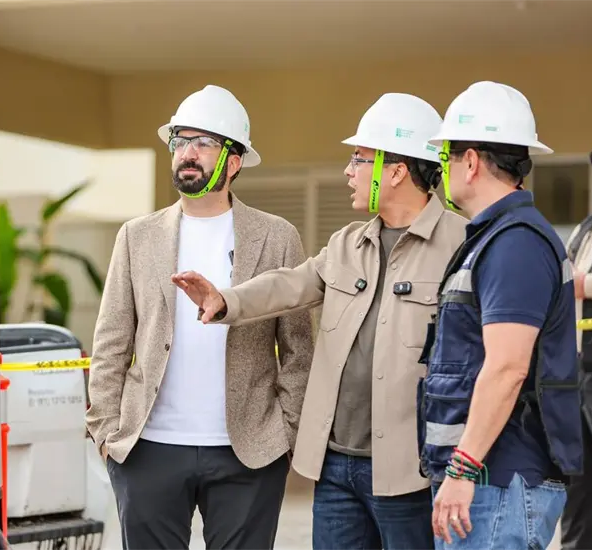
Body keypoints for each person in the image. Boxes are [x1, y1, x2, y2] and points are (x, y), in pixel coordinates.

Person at [172, 92, 467, 550]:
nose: (348, 171)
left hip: (412, 469)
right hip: (337, 469)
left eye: (359, 159)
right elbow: (291, 284)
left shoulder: (461, 244)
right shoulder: (349, 242)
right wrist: (225, 299)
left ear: (395, 171)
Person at [85, 84, 314, 550]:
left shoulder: (276, 237)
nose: (188, 153)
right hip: (148, 448)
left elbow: (298, 350)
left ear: (234, 161)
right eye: (181, 141)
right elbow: (111, 340)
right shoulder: (136, 236)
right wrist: (106, 432)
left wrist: (285, 432)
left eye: (204, 142)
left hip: (248, 452)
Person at [416, 81, 584, 549]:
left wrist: (462, 469)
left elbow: (508, 368)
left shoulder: (516, 244)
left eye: (446, 157)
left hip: (498, 484)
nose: (442, 170)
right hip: (490, 483)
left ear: (470, 161)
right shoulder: (496, 238)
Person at [561, 130, 592, 550]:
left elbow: (574, 281)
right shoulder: (589, 225)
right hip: (578, 372)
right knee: (578, 485)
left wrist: (583, 283)